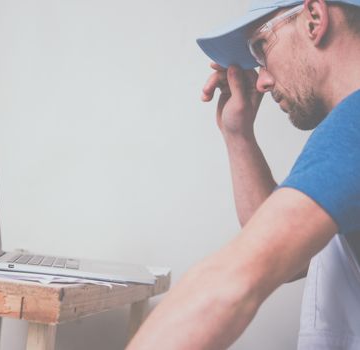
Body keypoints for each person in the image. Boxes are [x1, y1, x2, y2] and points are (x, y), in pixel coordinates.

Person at [127, 0, 360, 349]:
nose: (262, 80)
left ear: (314, 18)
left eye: (262, 47)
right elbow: (291, 259)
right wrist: (238, 133)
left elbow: (230, 286)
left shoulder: (354, 128)